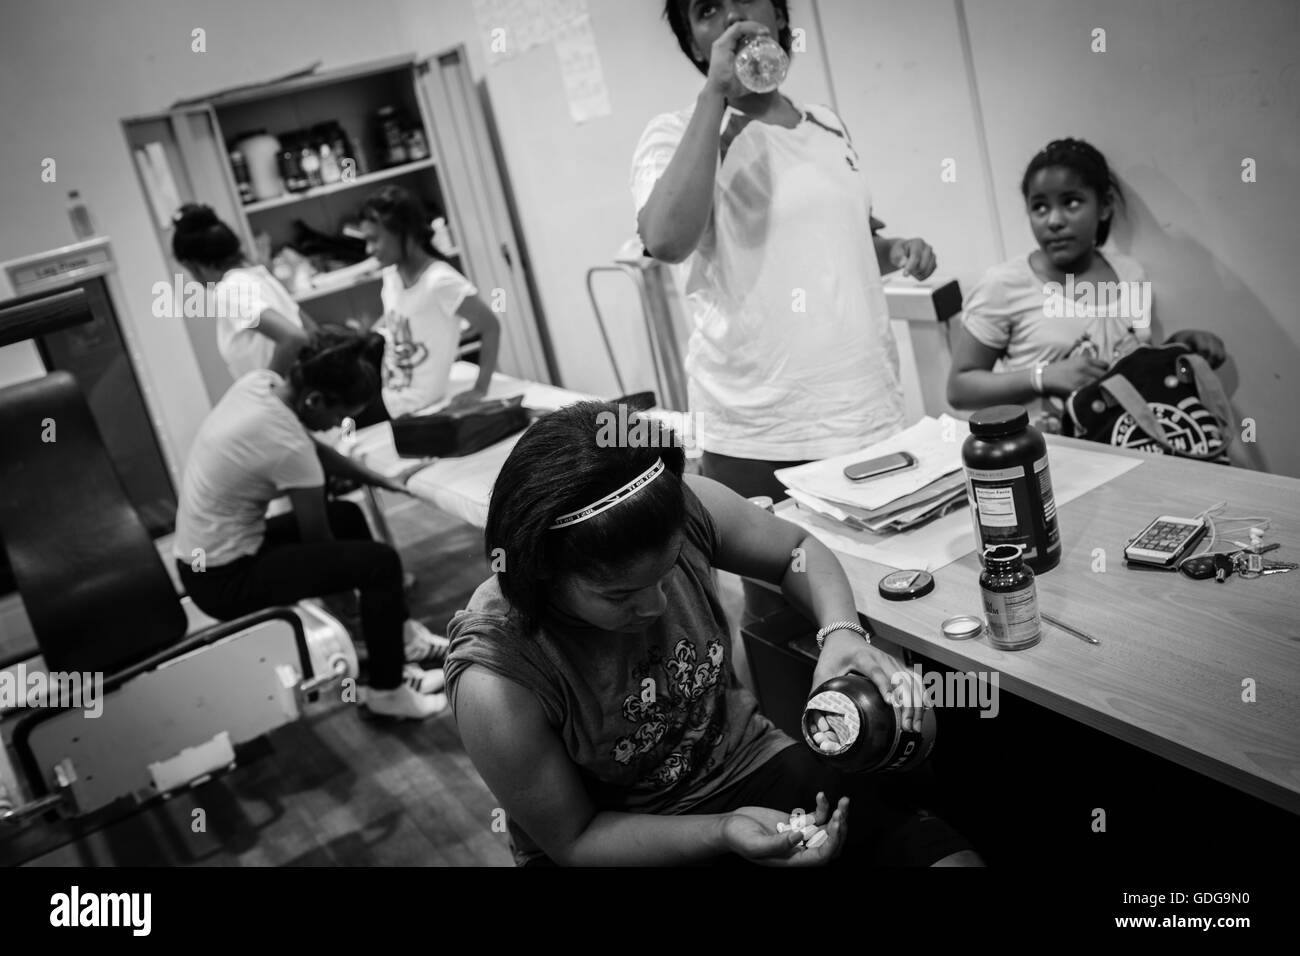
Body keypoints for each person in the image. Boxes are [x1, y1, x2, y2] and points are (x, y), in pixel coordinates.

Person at [444, 403, 981, 866]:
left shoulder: (681, 505)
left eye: (669, 571)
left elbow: (797, 550)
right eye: (620, 596)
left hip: (742, 765)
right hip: (618, 838)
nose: (655, 607)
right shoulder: (497, 678)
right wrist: (723, 832)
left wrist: (840, 633)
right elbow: (576, 841)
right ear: (541, 572)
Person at [633, 0, 938, 505]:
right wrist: (716, 94)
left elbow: (846, 245)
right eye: (708, 9)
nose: (732, 17)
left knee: (888, 581)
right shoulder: (676, 132)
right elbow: (665, 239)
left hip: (866, 410)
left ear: (777, 16)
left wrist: (895, 251)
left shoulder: (826, 124)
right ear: (693, 43)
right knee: (785, 580)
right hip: (759, 432)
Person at [174, 328, 448, 720]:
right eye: (339, 415)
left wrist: (383, 480)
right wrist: (356, 608)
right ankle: (387, 692)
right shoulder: (288, 446)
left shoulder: (261, 385)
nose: (338, 424)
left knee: (348, 515)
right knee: (380, 564)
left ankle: (395, 643)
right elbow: (319, 543)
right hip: (224, 580)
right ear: (314, 399)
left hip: (207, 559)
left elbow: (314, 449)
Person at [947, 137, 1228, 433]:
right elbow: (959, 388)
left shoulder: (1129, 273)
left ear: (1104, 206)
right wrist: (1042, 377)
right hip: (1050, 458)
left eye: (1071, 202)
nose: (1054, 220)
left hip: (1130, 444)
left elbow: (1133, 360)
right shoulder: (1004, 285)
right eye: (1039, 207)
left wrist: (1178, 346)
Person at [357, 186, 502, 418]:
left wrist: (480, 388)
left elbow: (491, 326)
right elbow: (399, 316)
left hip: (418, 406)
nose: (370, 249)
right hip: (389, 396)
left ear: (403, 231)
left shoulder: (440, 281)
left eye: (375, 239)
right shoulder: (391, 275)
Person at [171, 204, 315, 381]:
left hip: (287, 395)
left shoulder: (229, 290)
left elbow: (294, 337)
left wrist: (266, 392)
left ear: (193, 265)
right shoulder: (259, 276)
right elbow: (311, 331)